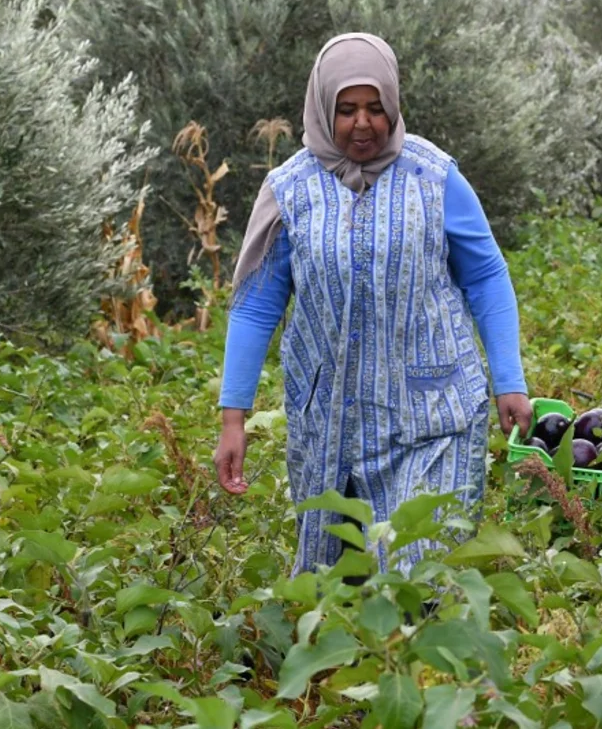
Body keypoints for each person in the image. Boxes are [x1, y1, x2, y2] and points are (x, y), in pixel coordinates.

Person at [213, 32, 532, 576]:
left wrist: (510, 380)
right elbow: (256, 307)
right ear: (323, 108)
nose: (363, 123)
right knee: (335, 584)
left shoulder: (434, 177)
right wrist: (232, 417)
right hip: (330, 427)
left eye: (375, 108)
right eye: (347, 110)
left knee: (420, 575)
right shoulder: (289, 190)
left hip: (433, 416)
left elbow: (485, 276)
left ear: (393, 104)